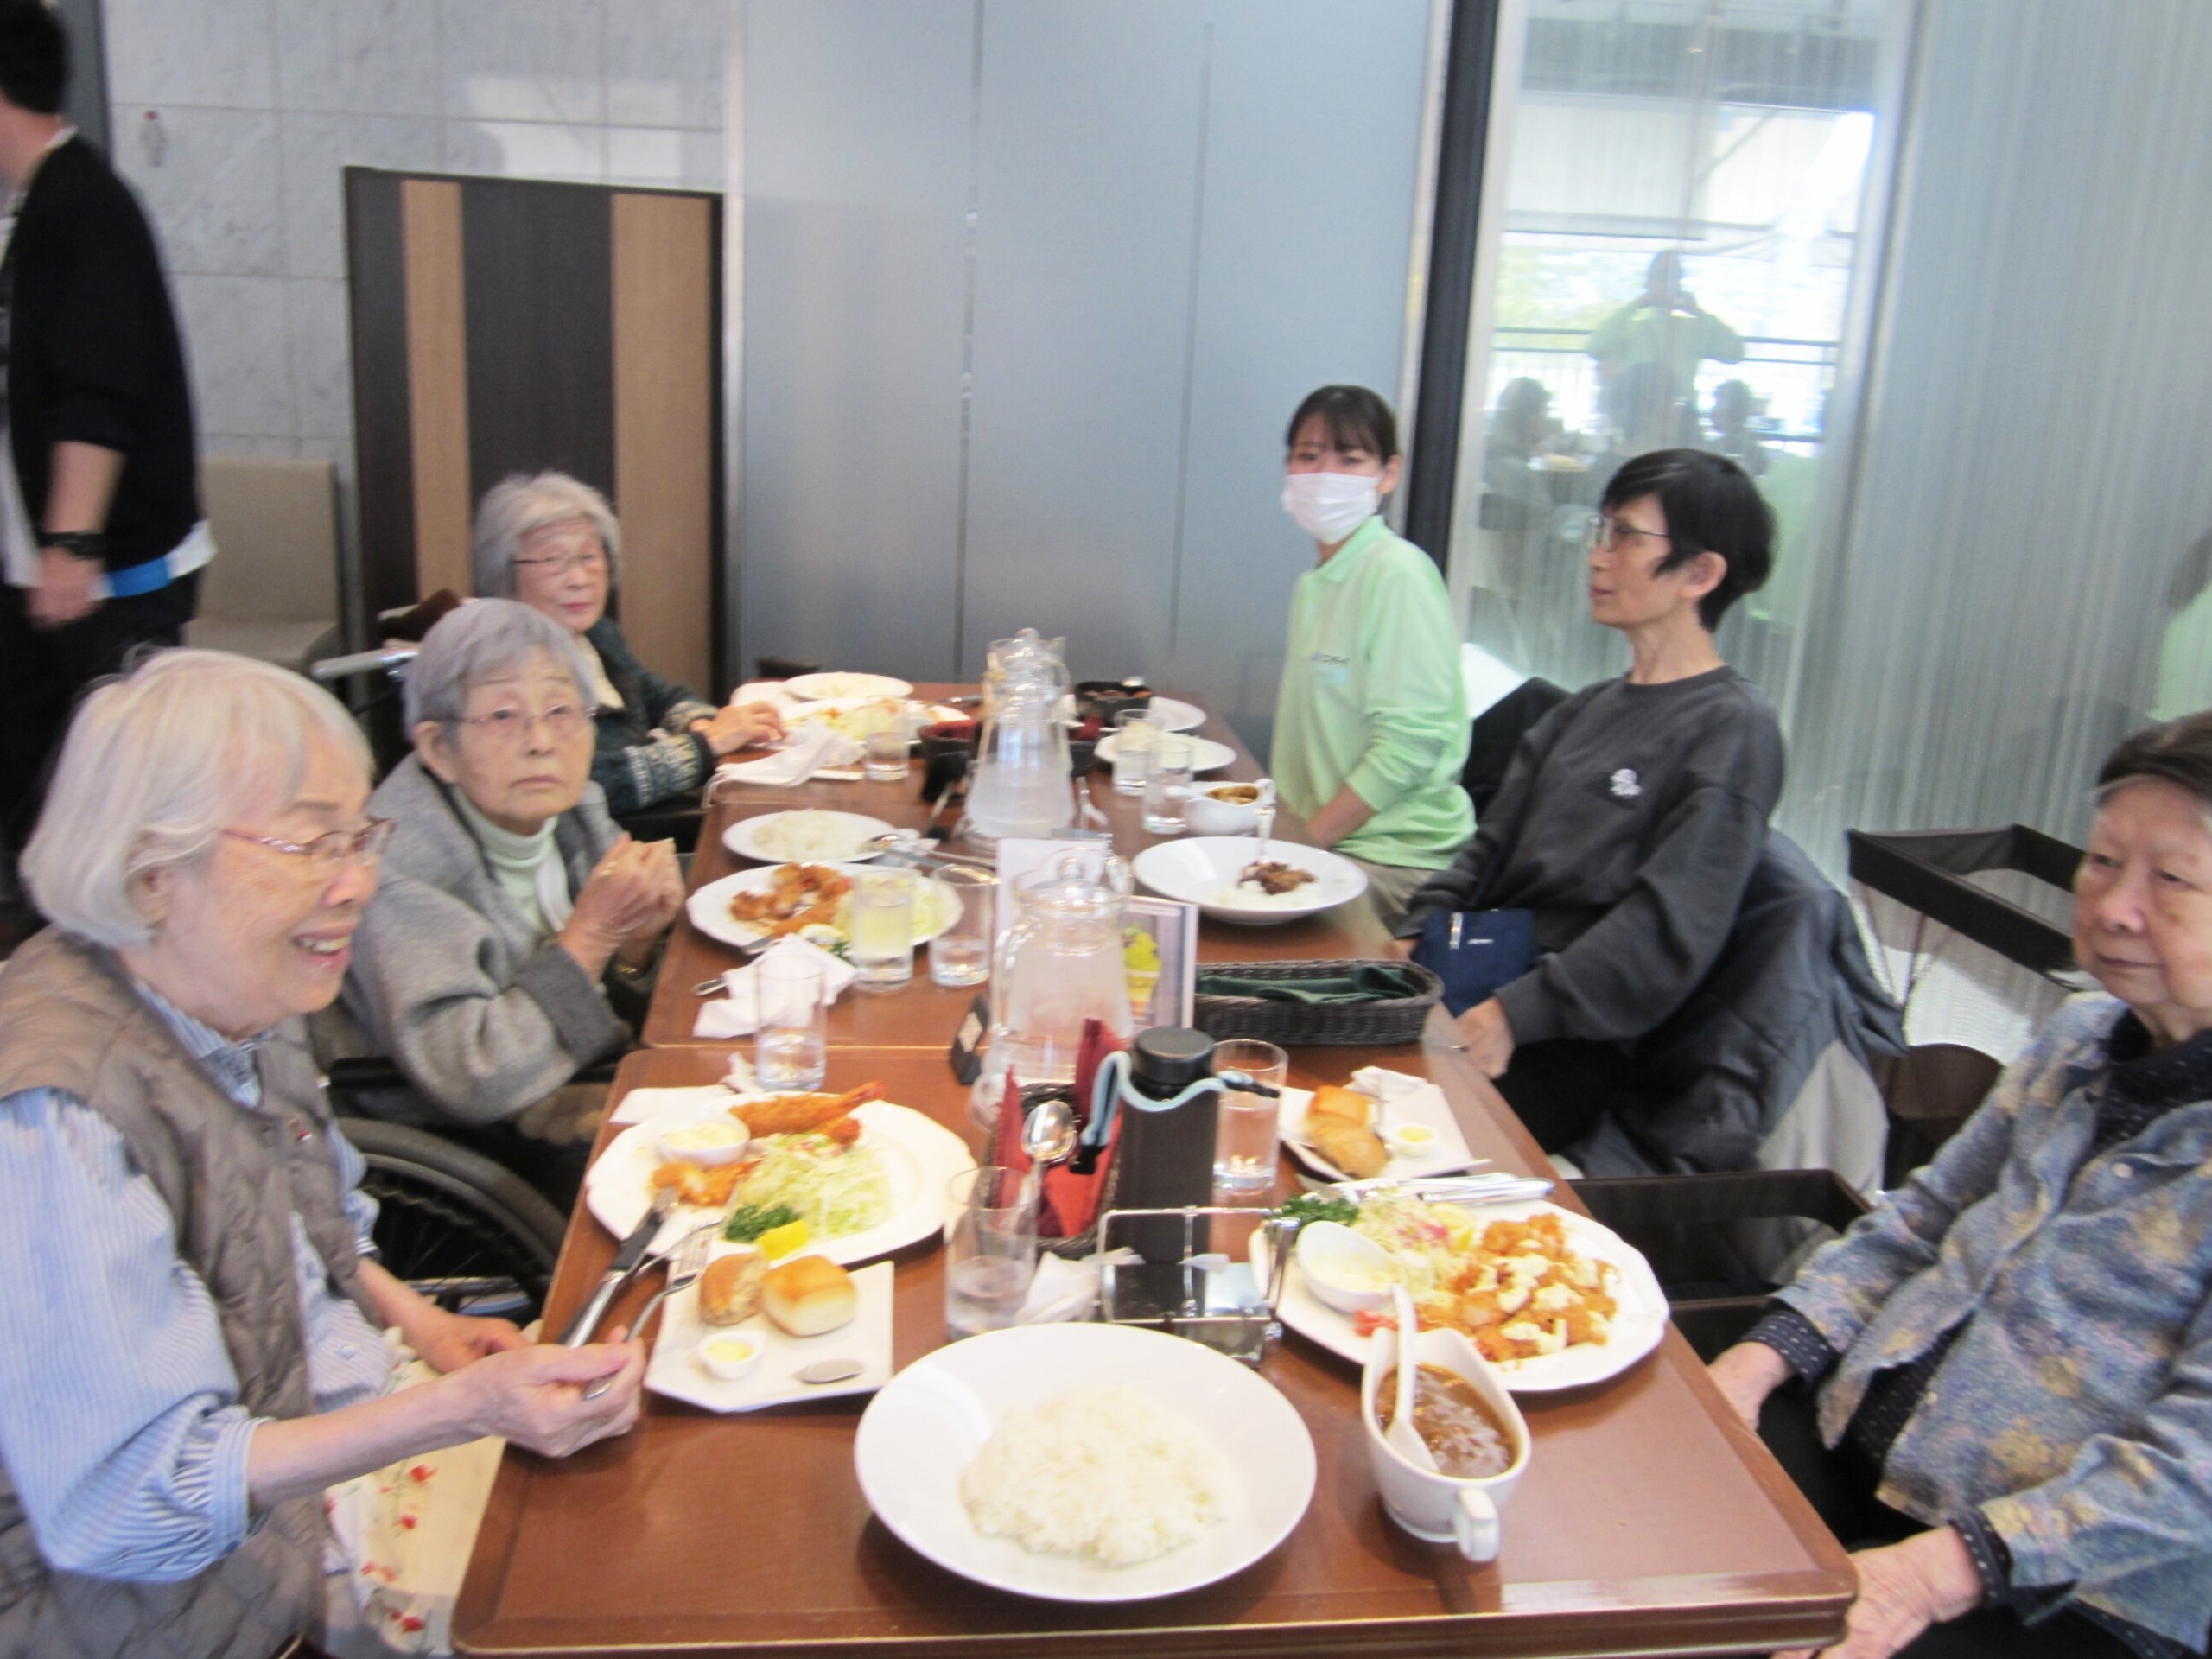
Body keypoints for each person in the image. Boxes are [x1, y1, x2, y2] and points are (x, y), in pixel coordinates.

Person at [0, 649, 644, 1657]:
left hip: (330, 1409)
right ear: (151, 871)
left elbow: (312, 1230)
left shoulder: (236, 973)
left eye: (359, 835)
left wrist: (424, 1327)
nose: (358, 884)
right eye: (310, 843)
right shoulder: (51, 1119)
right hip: (205, 1597)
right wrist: (449, 1410)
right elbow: (132, 1499)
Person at [1707, 714, 2212, 1659]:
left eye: (2171, 879)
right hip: (1864, 1439)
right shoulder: (2077, 1037)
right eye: (2102, 862)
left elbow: (2193, 1475)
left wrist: (1935, 1572)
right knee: (1651, 1506)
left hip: (2069, 1582)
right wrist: (1761, 1357)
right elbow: (1918, 1221)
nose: (2112, 907)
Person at [1396, 448, 1781, 1154]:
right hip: (1475, 974)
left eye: (1626, 537)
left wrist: (1514, 1015)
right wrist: (1412, 934)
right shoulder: (1586, 710)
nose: (1597, 559)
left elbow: (1663, 933)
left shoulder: (1731, 728)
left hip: (1563, 1038)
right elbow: (1486, 851)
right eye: (1598, 533)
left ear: (1701, 572)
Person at [317, 600, 684, 1204]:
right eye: (503, 715)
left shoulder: (575, 810)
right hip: (463, 1149)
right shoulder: (397, 871)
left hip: (582, 1087)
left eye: (562, 709)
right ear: (438, 747)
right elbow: (475, 1076)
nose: (541, 740)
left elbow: (607, 1004)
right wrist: (590, 937)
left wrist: (636, 948)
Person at [0, 0, 209, 890]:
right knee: (41, 788)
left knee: (108, 797)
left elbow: (100, 389)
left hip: (102, 577)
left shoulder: (83, 206)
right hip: (53, 574)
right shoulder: (40, 205)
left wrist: (70, 543)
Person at [1269, 385, 1471, 930]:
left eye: (1350, 459)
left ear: (1388, 474)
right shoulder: (1314, 583)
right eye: (1309, 457)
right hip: (1326, 844)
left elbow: (1409, 745)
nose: (1325, 474)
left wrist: (1301, 848)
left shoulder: (1395, 573)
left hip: (1392, 858)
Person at [473, 471, 782, 817]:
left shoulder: (595, 634)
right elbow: (580, 781)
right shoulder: (503, 671)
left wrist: (702, 723)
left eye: (589, 556)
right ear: (504, 575)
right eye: (552, 560)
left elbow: (654, 694)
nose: (578, 579)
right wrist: (707, 745)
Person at [1585, 249, 1745, 412]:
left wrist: (1698, 312)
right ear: (1649, 282)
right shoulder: (1632, 330)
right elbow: (1594, 348)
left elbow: (1735, 353)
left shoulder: (1693, 330)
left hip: (1680, 422)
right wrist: (1636, 305)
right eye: (1663, 275)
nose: (1668, 282)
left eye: (1675, 276)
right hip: (1636, 420)